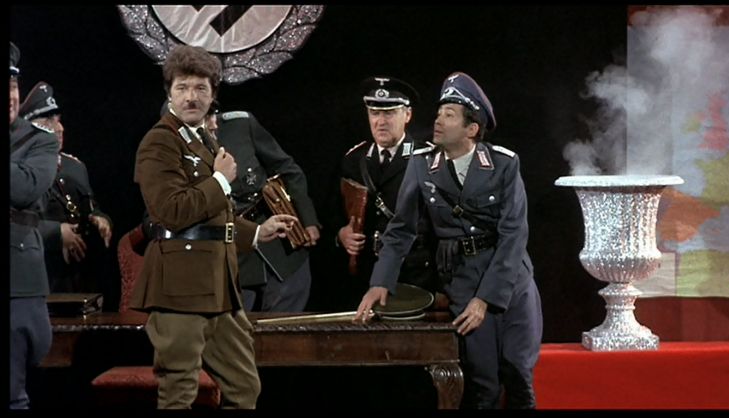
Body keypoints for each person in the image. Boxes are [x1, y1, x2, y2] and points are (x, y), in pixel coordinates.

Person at [355, 72, 543, 409]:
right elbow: (401, 230)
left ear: (471, 129)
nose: (438, 121)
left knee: (518, 375)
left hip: (510, 280)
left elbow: (514, 235)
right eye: (439, 113)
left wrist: (485, 299)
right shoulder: (422, 165)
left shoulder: (503, 164)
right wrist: (380, 282)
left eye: (450, 115)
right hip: (462, 278)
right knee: (483, 384)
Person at [131, 44, 296, 409]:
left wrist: (257, 232)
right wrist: (220, 181)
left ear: (213, 94)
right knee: (179, 390)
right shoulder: (160, 141)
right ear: (169, 93)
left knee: (244, 387)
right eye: (183, 88)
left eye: (200, 88)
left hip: (219, 287)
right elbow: (171, 212)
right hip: (180, 286)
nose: (191, 96)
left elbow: (213, 219)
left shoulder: (203, 140)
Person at [335, 76, 437, 306]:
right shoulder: (354, 159)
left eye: (389, 113)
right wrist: (341, 234)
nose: (381, 121)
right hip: (366, 273)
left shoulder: (427, 158)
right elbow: (333, 211)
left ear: (407, 115)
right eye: (374, 113)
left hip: (414, 271)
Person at [214, 104, 321, 312]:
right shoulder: (176, 144)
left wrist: (307, 218)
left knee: (286, 325)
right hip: (232, 251)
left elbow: (287, 169)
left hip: (279, 242)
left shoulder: (239, 124)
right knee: (237, 327)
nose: (211, 122)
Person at [19, 81, 113, 293]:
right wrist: (56, 233)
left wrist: (100, 219)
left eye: (58, 120)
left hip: (79, 279)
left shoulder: (75, 167)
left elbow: (90, 207)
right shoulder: (18, 170)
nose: (59, 128)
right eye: (48, 121)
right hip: (38, 277)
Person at [9, 41, 60, 409]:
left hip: (18, 279)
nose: (9, 96)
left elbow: (25, 188)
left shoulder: (40, 142)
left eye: (12, 86)